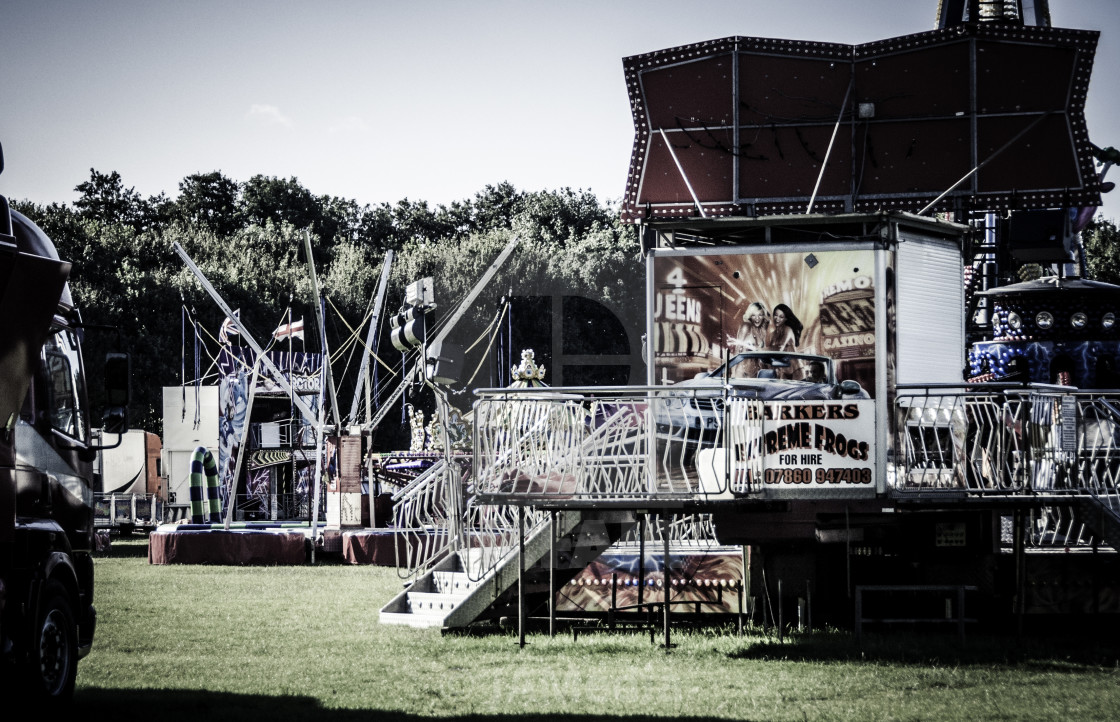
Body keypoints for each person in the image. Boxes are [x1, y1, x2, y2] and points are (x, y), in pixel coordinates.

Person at [729, 302, 769, 378]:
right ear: (750, 316)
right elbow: (737, 350)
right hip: (742, 372)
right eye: (754, 315)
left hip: (755, 373)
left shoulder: (762, 331)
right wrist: (733, 374)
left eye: (760, 315)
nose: (757, 318)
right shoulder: (746, 326)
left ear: (763, 316)